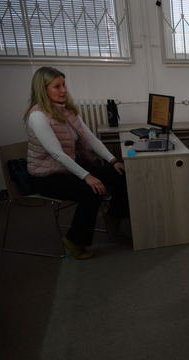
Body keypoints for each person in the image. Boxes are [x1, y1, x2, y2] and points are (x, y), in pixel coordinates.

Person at [25, 66, 129, 260]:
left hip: (70, 167)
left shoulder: (67, 111)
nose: (63, 90)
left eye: (63, 85)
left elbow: (91, 139)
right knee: (93, 190)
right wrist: (87, 176)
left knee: (121, 173)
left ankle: (113, 215)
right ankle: (74, 239)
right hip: (48, 176)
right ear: (43, 90)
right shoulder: (37, 116)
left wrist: (113, 160)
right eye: (56, 86)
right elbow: (56, 153)